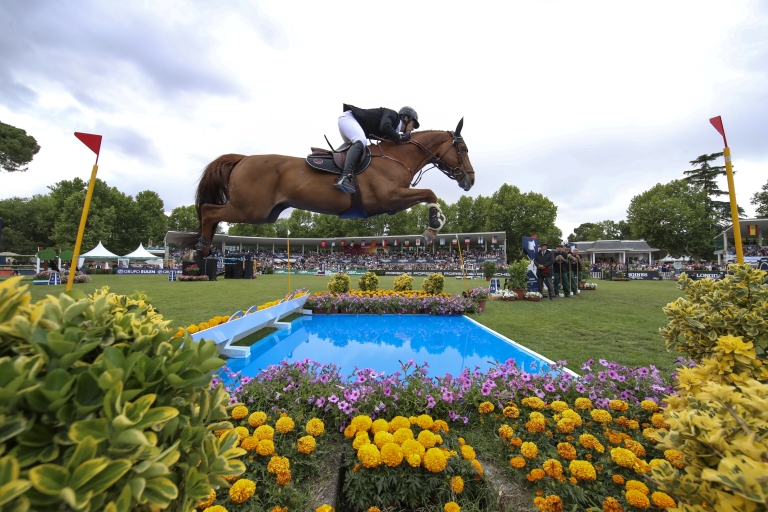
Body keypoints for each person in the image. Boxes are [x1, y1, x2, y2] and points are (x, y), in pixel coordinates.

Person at [335, 104, 420, 193]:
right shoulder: (393, 115)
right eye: (413, 124)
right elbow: (384, 126)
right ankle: (345, 177)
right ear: (406, 118)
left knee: (355, 151)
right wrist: (400, 137)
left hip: (349, 122)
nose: (413, 129)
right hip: (349, 118)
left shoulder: (392, 131)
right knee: (361, 141)